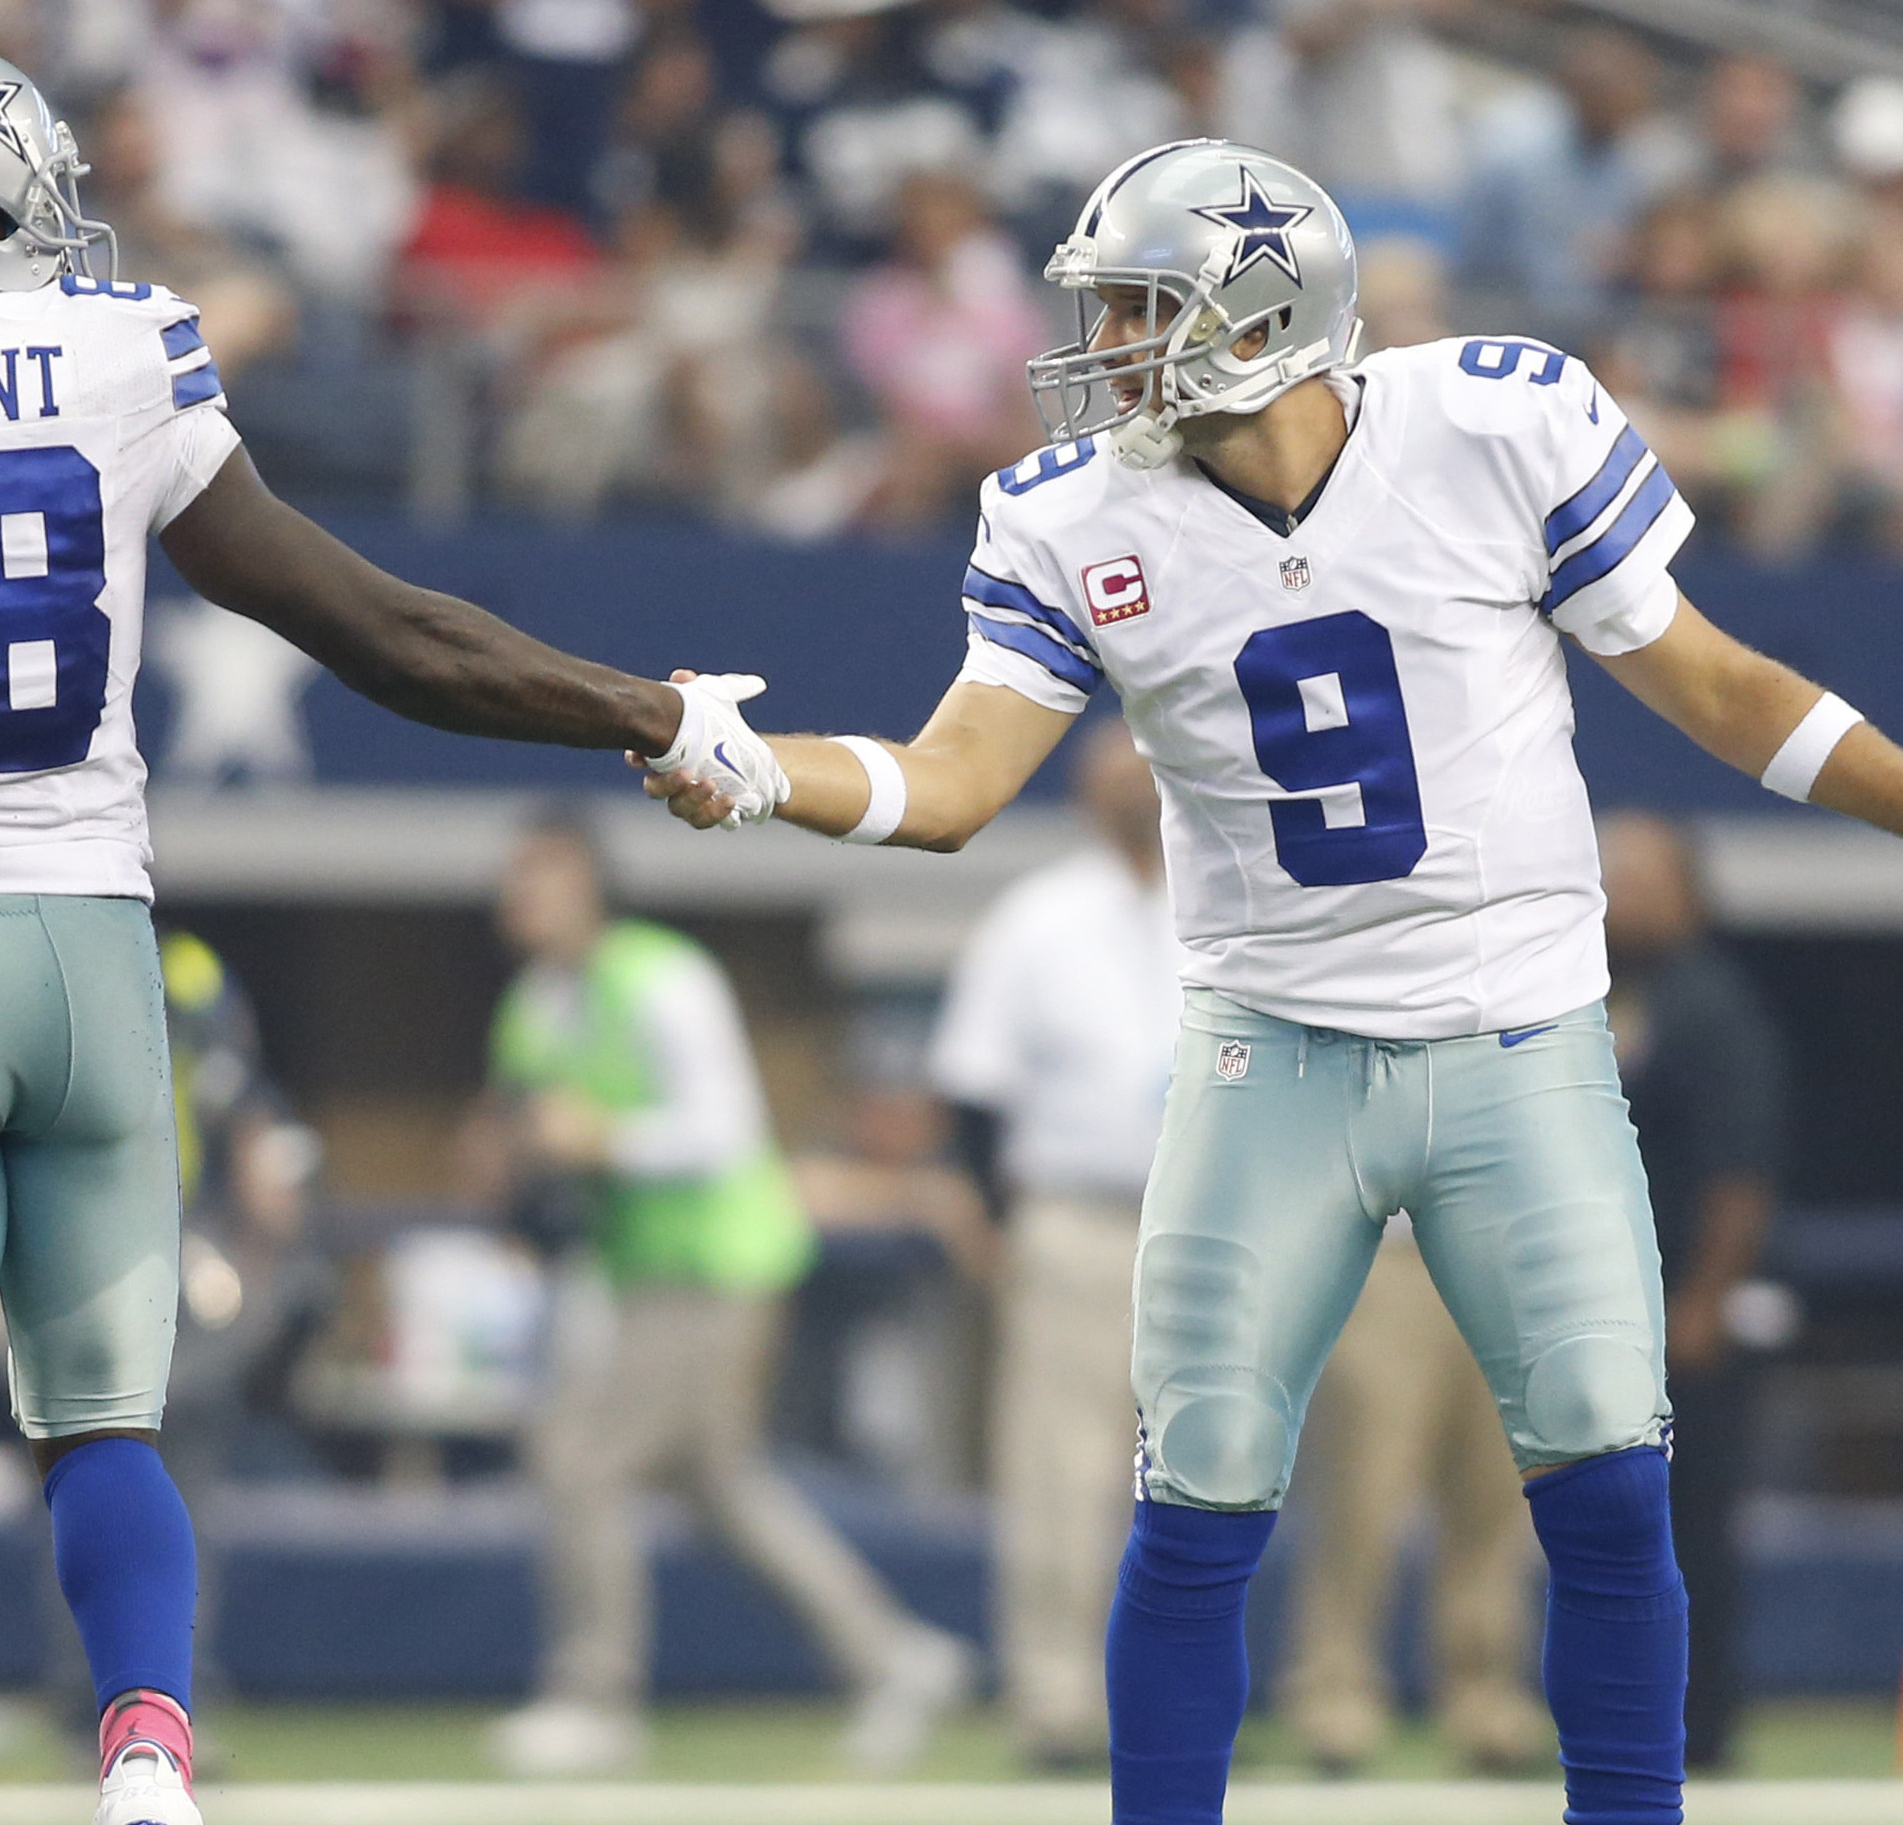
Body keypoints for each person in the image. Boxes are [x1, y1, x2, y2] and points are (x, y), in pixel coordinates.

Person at [641, 137, 1903, 1825]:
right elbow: (950, 786)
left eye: (1140, 309)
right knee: (1200, 1501)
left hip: (1516, 1032)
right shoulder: (1069, 517)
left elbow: (1723, 692)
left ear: (1259, 310)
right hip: (1271, 1055)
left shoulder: (1488, 424)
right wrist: (746, 768)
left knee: (1605, 1484)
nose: (1102, 350)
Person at [0, 39, 764, 1825]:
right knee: (109, 1424)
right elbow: (384, 632)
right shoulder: (107, 355)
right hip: (92, 946)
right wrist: (645, 710)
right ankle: (148, 1745)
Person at [473, 816, 968, 1780]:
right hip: (637, 1264)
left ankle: (595, 1695)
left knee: (581, 1455)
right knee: (716, 1486)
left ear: (589, 881)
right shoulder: (533, 1004)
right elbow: (527, 1140)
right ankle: (896, 1655)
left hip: (719, 1259)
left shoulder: (663, 975)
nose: (521, 894)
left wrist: (599, 1138)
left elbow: (726, 1129)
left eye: (542, 872)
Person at [924, 718, 1174, 1771]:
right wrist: (986, 1220)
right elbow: (972, 1094)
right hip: (1076, 1216)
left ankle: (1174, 1698)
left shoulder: (1238, 900)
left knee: (1201, 1474)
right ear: (1081, 796)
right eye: (1111, 780)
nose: (1130, 795)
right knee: (1062, 1472)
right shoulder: (1037, 919)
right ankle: (1055, 1703)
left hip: (1207, 1226)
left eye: (1144, 777)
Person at [1598, 811, 1786, 1772]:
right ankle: (1629, 1722)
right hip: (1609, 1322)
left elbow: (1738, 1173)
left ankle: (1700, 1734)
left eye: (1636, 876)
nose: (1614, 892)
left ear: (1688, 891)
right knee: (1617, 1531)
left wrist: (1705, 1298)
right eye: (1604, 873)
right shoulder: (1593, 995)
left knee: (1690, 1530)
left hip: (1681, 1322)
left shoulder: (1708, 1002)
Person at [1280, 1230, 1554, 1775]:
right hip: (1386, 1253)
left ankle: (1487, 1702)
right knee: (1360, 1494)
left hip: (1506, 1257)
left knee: (1495, 1495)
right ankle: (1334, 1699)